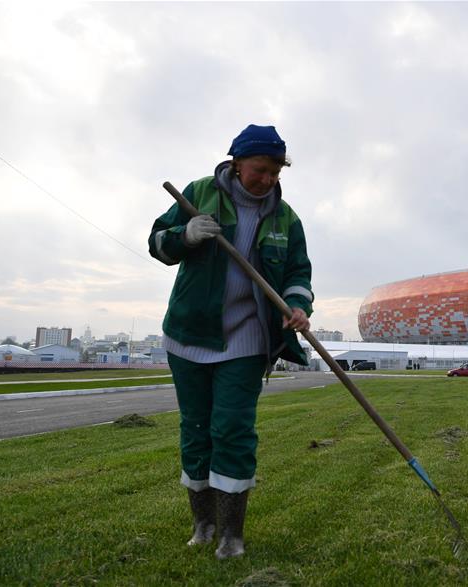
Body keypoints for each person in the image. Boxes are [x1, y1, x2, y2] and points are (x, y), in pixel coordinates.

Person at [148, 124, 313, 559]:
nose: (268, 179)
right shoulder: (199, 193)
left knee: (233, 431)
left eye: (276, 172)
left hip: (247, 339)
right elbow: (157, 244)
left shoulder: (285, 218)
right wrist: (185, 236)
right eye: (260, 169)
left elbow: (298, 273)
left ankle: (231, 536)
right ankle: (203, 525)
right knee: (196, 430)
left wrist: (298, 305)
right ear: (237, 163)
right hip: (189, 335)